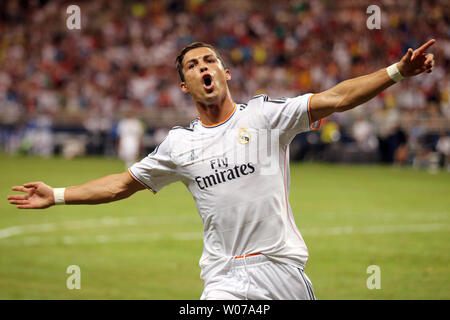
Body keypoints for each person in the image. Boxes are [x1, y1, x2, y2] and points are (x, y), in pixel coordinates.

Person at [7, 40, 435, 300]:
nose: (203, 68)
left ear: (226, 73)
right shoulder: (179, 144)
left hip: (282, 270)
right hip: (224, 278)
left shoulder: (266, 117)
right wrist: (58, 194)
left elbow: (337, 97)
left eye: (209, 61)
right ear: (184, 86)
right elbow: (122, 184)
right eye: (192, 66)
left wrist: (398, 71)